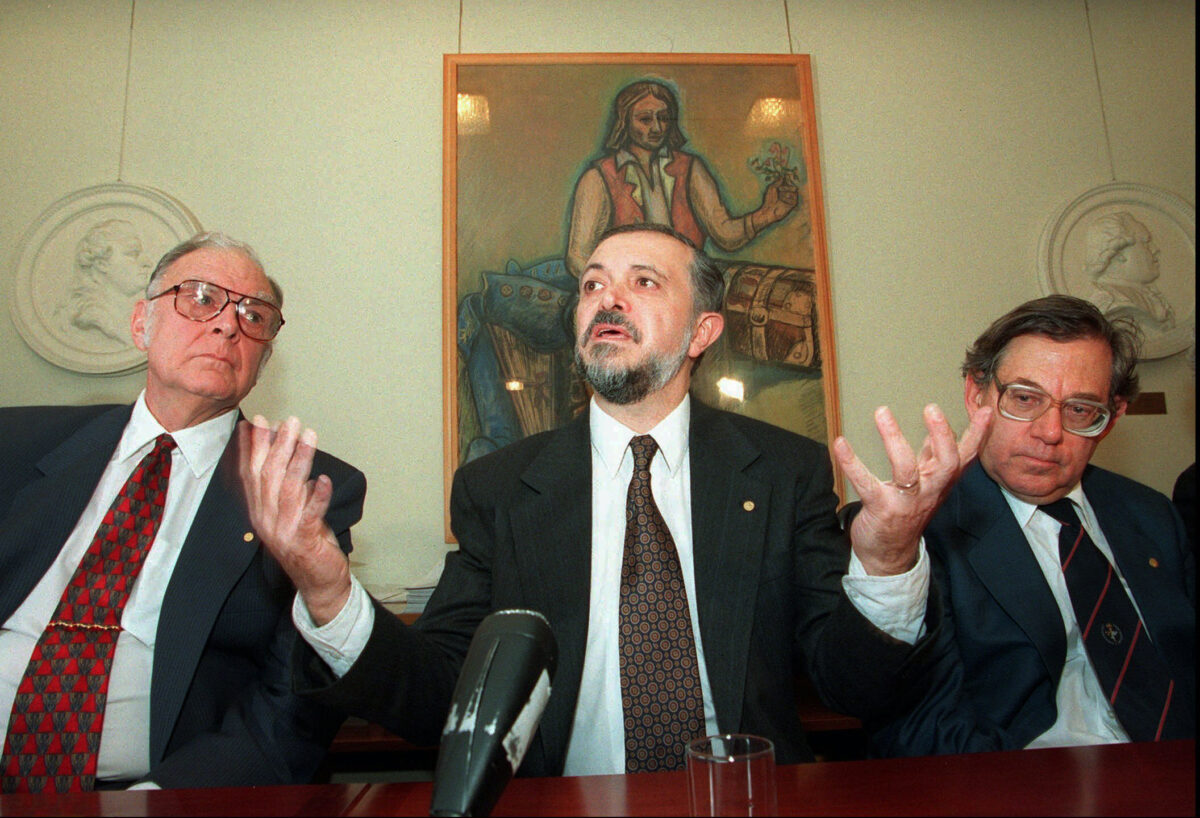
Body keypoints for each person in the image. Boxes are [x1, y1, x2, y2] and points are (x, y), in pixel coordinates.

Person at [243, 224, 989, 777]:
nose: (607, 298)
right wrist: (330, 593)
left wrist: (889, 560)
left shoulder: (782, 472)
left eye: (643, 282)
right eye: (594, 283)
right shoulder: (499, 489)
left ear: (703, 331)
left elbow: (855, 686)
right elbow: (437, 696)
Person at [0, 232, 366, 792]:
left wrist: (158, 805)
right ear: (140, 325)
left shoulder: (304, 486)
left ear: (263, 358)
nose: (226, 325)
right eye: (200, 298)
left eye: (254, 316)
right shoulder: (17, 445)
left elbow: (293, 710)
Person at [869, 295, 1195, 756]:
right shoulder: (921, 530)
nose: (1049, 431)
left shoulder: (1151, 514)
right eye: (1024, 398)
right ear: (976, 394)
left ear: (1111, 418)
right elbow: (922, 731)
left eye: (1080, 410)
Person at [565, 80, 799, 278]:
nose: (657, 127)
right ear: (624, 122)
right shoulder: (598, 177)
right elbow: (578, 258)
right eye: (645, 119)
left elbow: (726, 236)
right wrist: (623, 283)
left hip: (683, 290)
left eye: (664, 118)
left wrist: (767, 214)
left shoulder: (691, 168)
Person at [57, 219, 154, 343]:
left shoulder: (131, 316)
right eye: (133, 254)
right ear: (101, 264)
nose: (147, 263)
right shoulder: (95, 320)